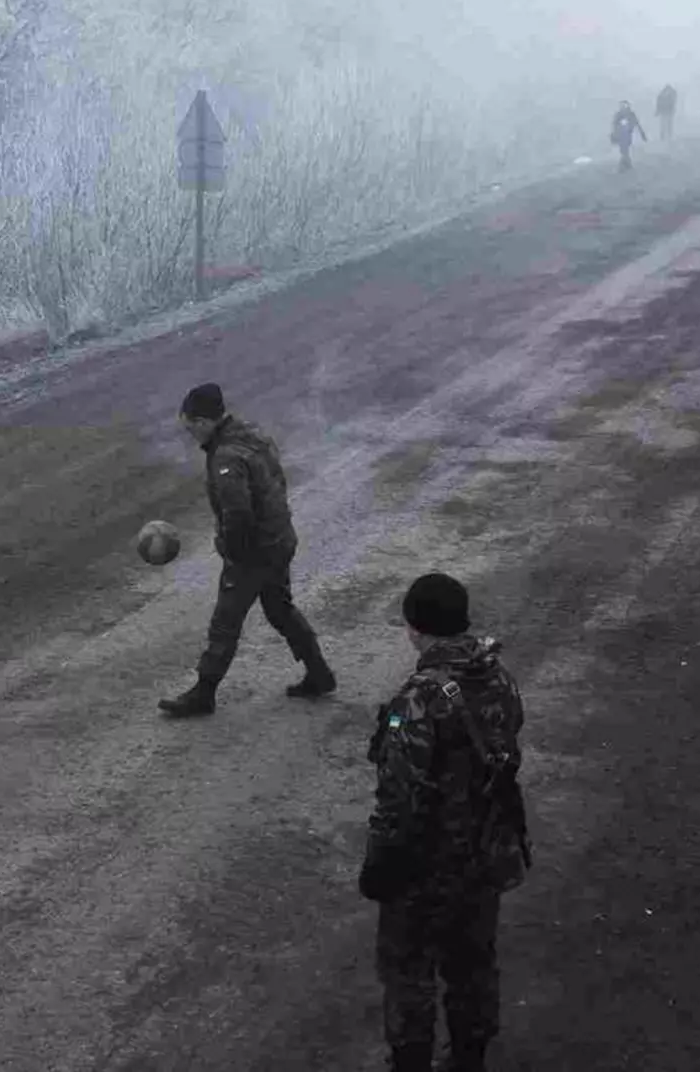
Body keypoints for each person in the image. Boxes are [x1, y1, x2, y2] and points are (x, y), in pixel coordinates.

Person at [361, 573, 530, 1072]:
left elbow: (400, 795)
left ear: (417, 629)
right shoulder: (497, 676)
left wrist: (382, 863)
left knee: (409, 969)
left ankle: (410, 1059)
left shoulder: (418, 699)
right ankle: (469, 1054)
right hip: (487, 847)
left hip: (428, 860)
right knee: (473, 961)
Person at [160, 383, 335, 717]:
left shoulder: (226, 456)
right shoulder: (251, 435)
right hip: (280, 539)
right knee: (280, 610)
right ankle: (319, 673)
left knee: (225, 622)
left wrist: (229, 550)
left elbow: (238, 514)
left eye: (191, 427)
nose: (191, 435)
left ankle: (203, 693)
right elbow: (276, 482)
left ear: (204, 422)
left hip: (255, 552)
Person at [610, 101, 647, 172]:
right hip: (621, 134)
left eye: (624, 106)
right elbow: (614, 124)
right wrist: (614, 134)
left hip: (627, 134)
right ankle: (626, 164)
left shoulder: (630, 114)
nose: (623, 108)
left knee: (625, 149)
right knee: (624, 149)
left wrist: (642, 134)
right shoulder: (619, 115)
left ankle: (625, 164)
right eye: (622, 106)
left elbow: (637, 124)